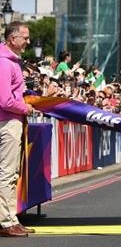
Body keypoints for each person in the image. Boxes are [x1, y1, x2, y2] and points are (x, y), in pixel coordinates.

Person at [0, 21, 35, 237]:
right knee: (7, 173)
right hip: (7, 122)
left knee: (12, 173)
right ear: (13, 39)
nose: (28, 42)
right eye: (25, 37)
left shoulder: (10, 61)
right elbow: (5, 100)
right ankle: (6, 222)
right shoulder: (5, 63)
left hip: (11, 121)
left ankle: (11, 219)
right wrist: (25, 107)